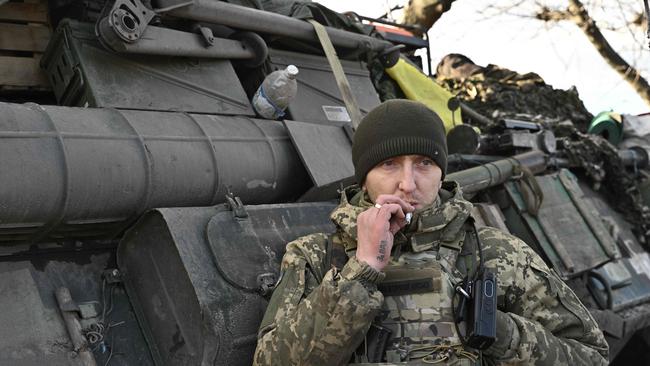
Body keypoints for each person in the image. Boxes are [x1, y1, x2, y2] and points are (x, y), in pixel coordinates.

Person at [253, 99, 609, 365]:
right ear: (364, 176)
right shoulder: (315, 257)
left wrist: (498, 332)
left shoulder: (498, 253)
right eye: (388, 163)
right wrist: (360, 272)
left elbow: (590, 357)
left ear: (441, 172)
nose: (408, 183)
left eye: (424, 163)